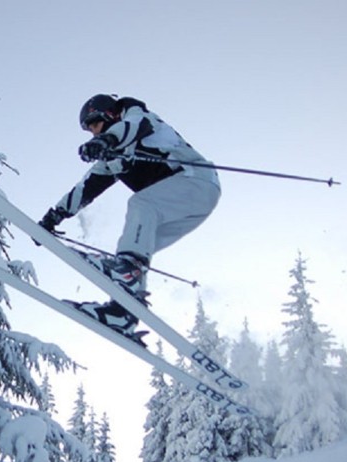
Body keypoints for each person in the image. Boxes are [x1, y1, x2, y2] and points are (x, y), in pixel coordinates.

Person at [38, 93, 220, 335]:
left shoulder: (140, 119)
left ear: (109, 114)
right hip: (188, 207)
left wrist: (107, 140)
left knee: (141, 207)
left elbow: (131, 127)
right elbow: (86, 188)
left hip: (193, 181)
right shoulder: (114, 158)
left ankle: (128, 271)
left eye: (95, 124)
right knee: (136, 245)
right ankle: (123, 312)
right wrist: (54, 216)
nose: (94, 132)